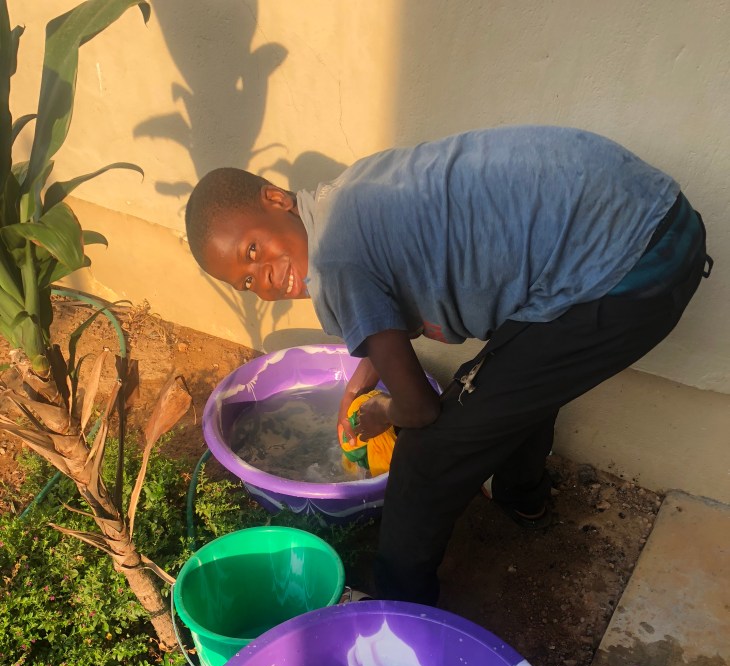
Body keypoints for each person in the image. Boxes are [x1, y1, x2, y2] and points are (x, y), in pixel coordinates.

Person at [185, 126, 712, 606]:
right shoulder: (342, 201)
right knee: (514, 375)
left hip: (632, 266)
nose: (264, 277)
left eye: (252, 250)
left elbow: (420, 410)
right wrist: (355, 388)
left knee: (428, 454)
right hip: (651, 219)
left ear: (275, 199)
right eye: (246, 282)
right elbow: (387, 312)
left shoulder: (335, 260)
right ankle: (521, 498)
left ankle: (397, 608)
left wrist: (382, 411)